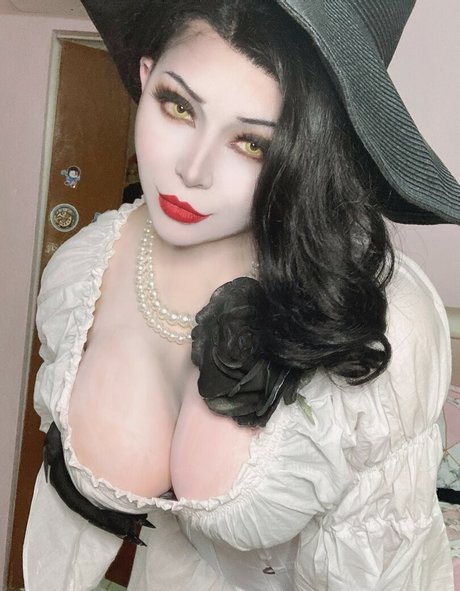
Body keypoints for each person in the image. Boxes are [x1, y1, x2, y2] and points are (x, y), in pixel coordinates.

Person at [23, 1, 460, 589]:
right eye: (179, 106)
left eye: (253, 144)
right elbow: (63, 530)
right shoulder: (84, 272)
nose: (192, 170)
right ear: (146, 74)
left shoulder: (378, 317)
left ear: (313, 155)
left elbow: (383, 572)